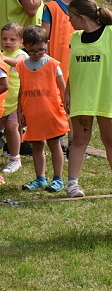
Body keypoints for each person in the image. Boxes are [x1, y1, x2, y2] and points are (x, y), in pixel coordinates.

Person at [64, 0, 112, 197]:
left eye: (71, 16)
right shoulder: (75, 38)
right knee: (79, 140)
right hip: (82, 97)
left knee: (110, 139)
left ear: (82, 17)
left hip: (106, 95)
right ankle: (72, 184)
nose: (69, 20)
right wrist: (67, 92)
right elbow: (73, 69)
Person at [16, 25, 67, 192]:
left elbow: (63, 87)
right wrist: (19, 111)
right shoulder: (22, 66)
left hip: (51, 113)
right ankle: (40, 178)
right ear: (25, 46)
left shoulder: (52, 64)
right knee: (37, 146)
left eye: (40, 50)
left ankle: (58, 179)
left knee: (54, 144)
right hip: (32, 114)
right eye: (32, 51)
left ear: (47, 43)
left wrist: (67, 105)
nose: (36, 54)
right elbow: (21, 90)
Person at [41, 0, 84, 83]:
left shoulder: (86, 9)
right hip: (56, 64)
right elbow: (43, 39)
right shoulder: (52, 8)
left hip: (79, 63)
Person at [0, 22, 25, 174]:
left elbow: (17, 63)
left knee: (12, 127)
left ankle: (15, 159)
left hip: (17, 100)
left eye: (12, 39)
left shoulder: (21, 54)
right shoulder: (2, 53)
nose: (8, 42)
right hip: (4, 100)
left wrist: (2, 58)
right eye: (4, 39)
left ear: (21, 41)